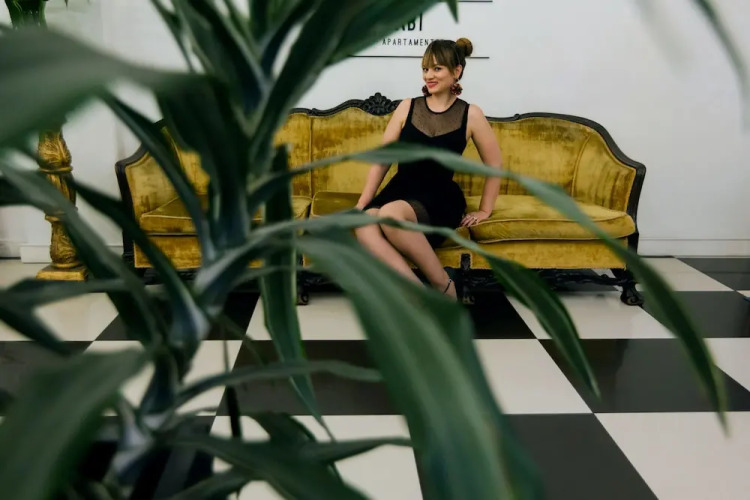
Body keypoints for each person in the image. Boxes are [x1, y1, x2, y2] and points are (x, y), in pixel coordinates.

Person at [355, 38, 503, 299]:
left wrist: (485, 209)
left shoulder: (471, 114)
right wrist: (362, 203)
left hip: (439, 196)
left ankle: (444, 286)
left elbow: (495, 164)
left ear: (456, 71)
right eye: (425, 69)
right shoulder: (407, 107)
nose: (428, 75)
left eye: (437, 68)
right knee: (365, 224)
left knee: (389, 215)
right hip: (401, 189)